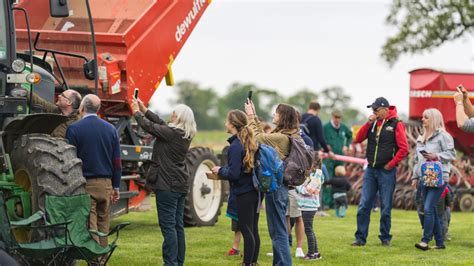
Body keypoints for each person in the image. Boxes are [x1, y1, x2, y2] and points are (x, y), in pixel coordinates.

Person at [131, 99, 196, 266]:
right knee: (177, 227)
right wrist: (146, 110)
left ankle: (170, 263)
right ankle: (178, 262)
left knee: (168, 227)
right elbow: (160, 123)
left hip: (167, 185)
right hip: (179, 184)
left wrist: (137, 113)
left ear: (179, 118)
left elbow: (150, 127)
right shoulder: (182, 133)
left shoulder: (171, 133)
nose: (171, 116)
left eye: (174, 115)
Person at [245, 101, 299, 266]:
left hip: (276, 187)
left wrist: (250, 116)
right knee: (278, 229)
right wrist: (253, 114)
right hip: (281, 186)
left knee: (278, 231)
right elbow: (264, 136)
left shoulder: (283, 138)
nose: (274, 115)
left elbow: (258, 138)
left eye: (276, 112)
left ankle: (283, 263)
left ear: (283, 117)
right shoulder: (287, 135)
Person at [66, 94, 121, 248]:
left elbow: (70, 161)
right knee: (103, 224)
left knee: (91, 224)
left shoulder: (74, 129)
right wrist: (116, 186)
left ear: (82, 108)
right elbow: (116, 162)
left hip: (85, 184)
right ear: (98, 109)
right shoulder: (111, 129)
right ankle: (102, 258)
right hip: (106, 185)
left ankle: (94, 260)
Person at [352, 97, 408, 247]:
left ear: (385, 109)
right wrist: (368, 122)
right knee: (364, 205)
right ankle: (360, 238)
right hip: (370, 170)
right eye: (373, 110)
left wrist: (391, 164)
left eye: (376, 110)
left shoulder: (396, 124)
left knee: (386, 206)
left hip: (386, 171)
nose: (374, 112)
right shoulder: (373, 123)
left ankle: (385, 238)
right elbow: (357, 139)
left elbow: (404, 148)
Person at [211, 109, 260, 266]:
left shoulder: (235, 146)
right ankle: (253, 262)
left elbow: (234, 173)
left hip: (243, 192)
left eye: (227, 121)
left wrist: (220, 170)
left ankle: (247, 263)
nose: (225, 123)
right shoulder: (248, 142)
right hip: (254, 191)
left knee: (246, 229)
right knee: (252, 229)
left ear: (232, 124)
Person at [411, 108, 455, 251]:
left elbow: (452, 154)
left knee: (428, 207)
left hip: (440, 176)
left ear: (434, 119)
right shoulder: (420, 138)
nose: (422, 119)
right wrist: (415, 176)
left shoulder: (444, 136)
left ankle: (425, 240)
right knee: (433, 210)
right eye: (423, 117)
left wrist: (436, 156)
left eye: (426, 117)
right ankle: (440, 243)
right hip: (424, 177)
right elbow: (417, 160)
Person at [295, 153, 323, 260]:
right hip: (306, 206)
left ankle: (311, 253)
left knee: (308, 230)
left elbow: (309, 190)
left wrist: (298, 186)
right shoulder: (312, 174)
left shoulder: (317, 174)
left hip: (309, 206)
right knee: (310, 229)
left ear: (313, 162)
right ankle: (315, 252)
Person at [323, 109, 352, 177]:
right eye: (336, 117)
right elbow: (320, 139)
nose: (337, 119)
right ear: (332, 117)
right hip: (329, 157)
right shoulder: (326, 127)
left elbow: (350, 136)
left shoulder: (343, 127)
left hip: (340, 157)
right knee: (328, 177)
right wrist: (324, 146)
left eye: (339, 118)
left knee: (339, 178)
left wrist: (346, 146)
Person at [225, 185, 242, 257]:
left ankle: (249, 251)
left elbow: (233, 174)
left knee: (247, 229)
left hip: (241, 200)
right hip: (236, 202)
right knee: (237, 229)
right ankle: (235, 249)